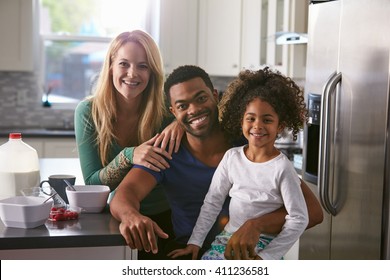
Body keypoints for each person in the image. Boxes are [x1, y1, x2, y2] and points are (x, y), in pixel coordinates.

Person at [109, 65, 324, 260]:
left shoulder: (249, 143)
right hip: (193, 252)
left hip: (252, 253)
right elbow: (124, 195)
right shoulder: (167, 150)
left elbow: (312, 212)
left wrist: (256, 225)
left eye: (201, 98)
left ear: (215, 96)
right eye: (183, 106)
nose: (193, 110)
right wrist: (131, 216)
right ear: (174, 112)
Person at [169, 68, 309, 260]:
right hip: (226, 239)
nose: (257, 126)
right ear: (241, 121)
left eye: (267, 120)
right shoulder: (231, 157)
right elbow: (212, 202)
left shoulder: (282, 168)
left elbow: (299, 218)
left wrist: (267, 257)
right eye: (250, 118)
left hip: (263, 245)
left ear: (280, 126)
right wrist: (195, 242)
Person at [74, 30, 183, 259]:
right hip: (116, 217)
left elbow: (212, 109)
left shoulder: (166, 112)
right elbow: (93, 184)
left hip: (168, 215)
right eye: (124, 64)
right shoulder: (88, 112)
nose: (132, 74)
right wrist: (129, 155)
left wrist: (182, 122)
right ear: (111, 65)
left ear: (152, 72)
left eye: (143, 66)